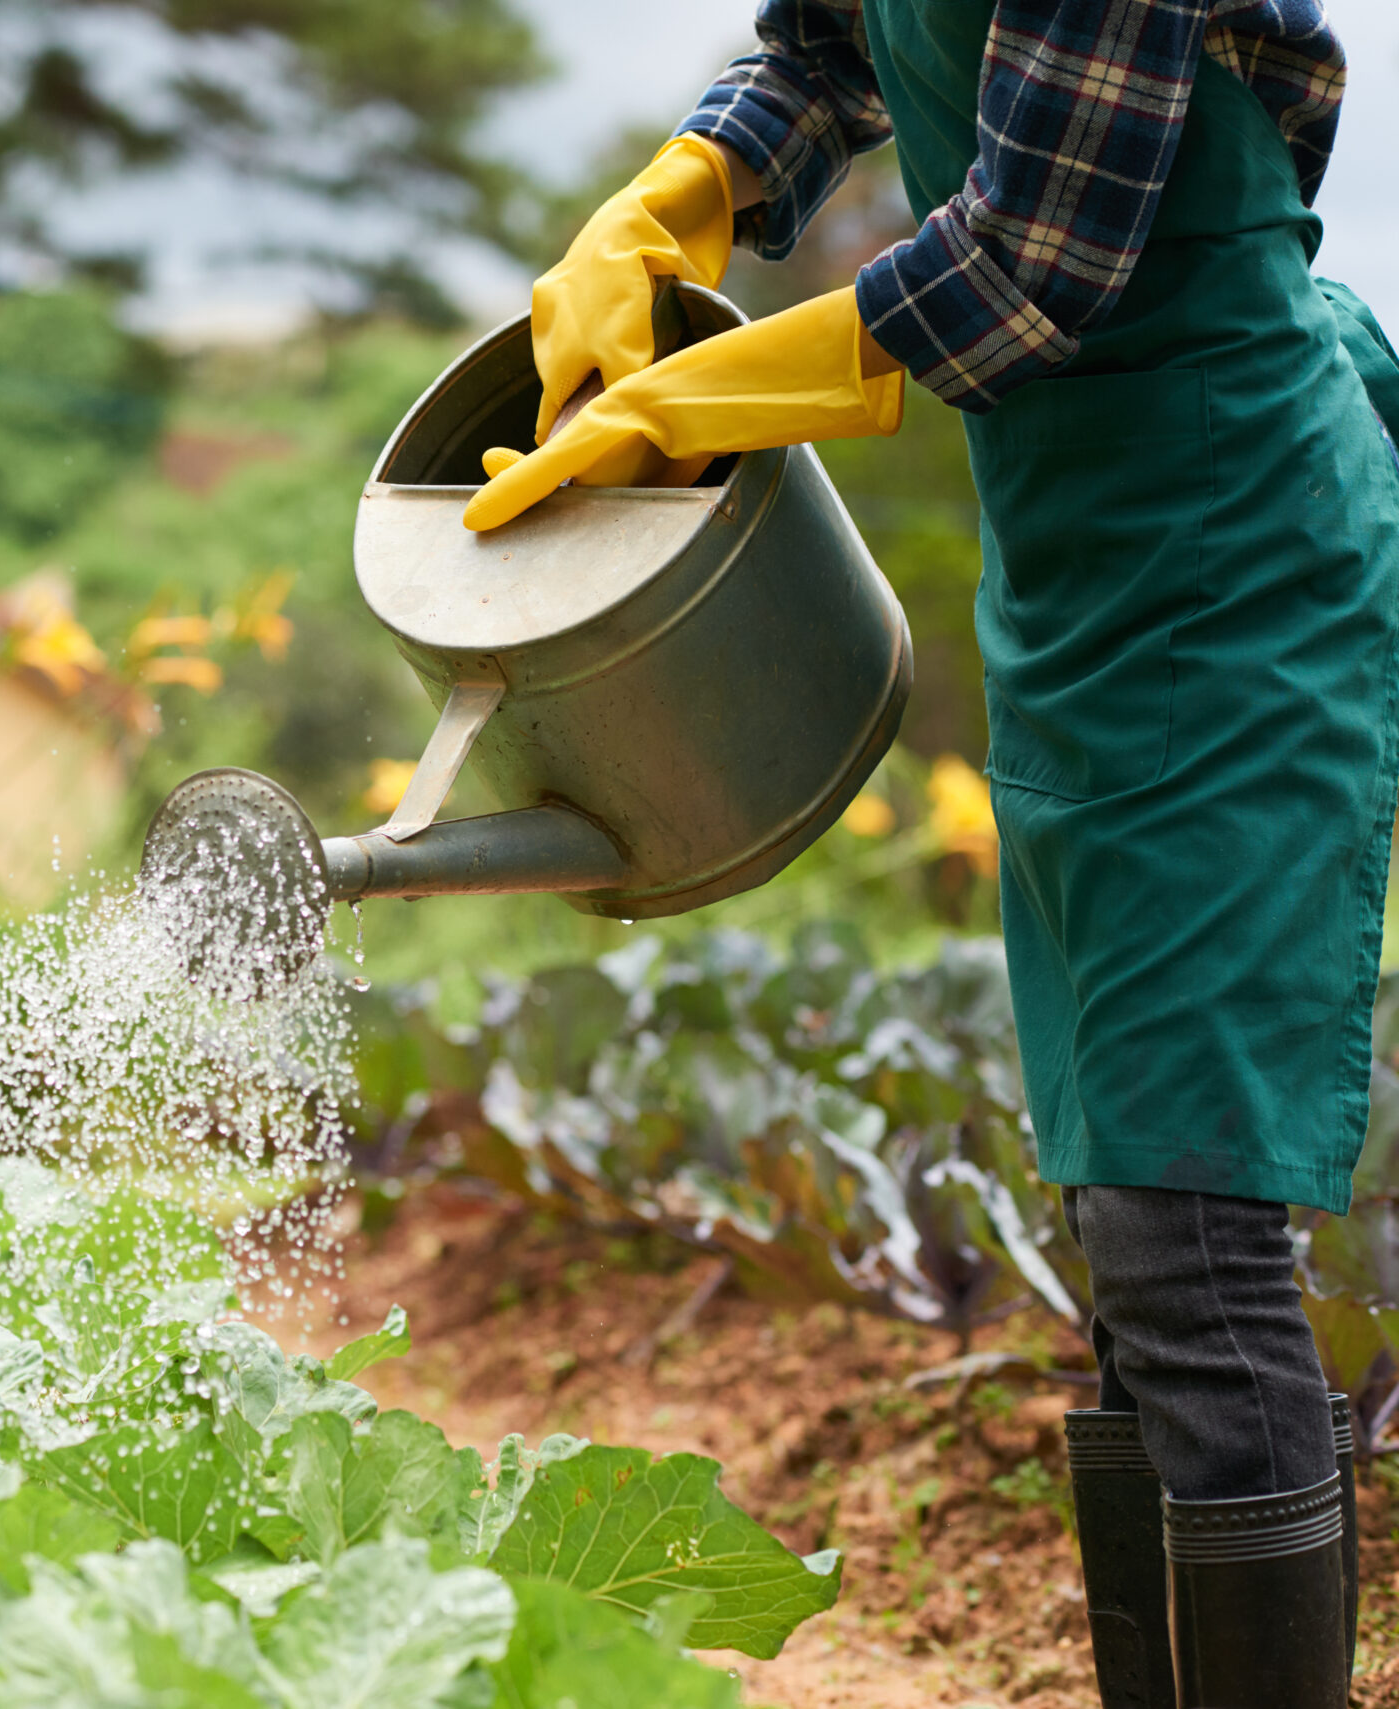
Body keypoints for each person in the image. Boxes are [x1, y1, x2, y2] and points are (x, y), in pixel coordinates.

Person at [475, 2, 1399, 1704]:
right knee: (1131, 1232)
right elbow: (822, 44)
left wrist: (712, 396)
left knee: (1189, 1236)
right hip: (1079, 562)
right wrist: (680, 186)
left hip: (1234, 538)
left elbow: (1032, 268)